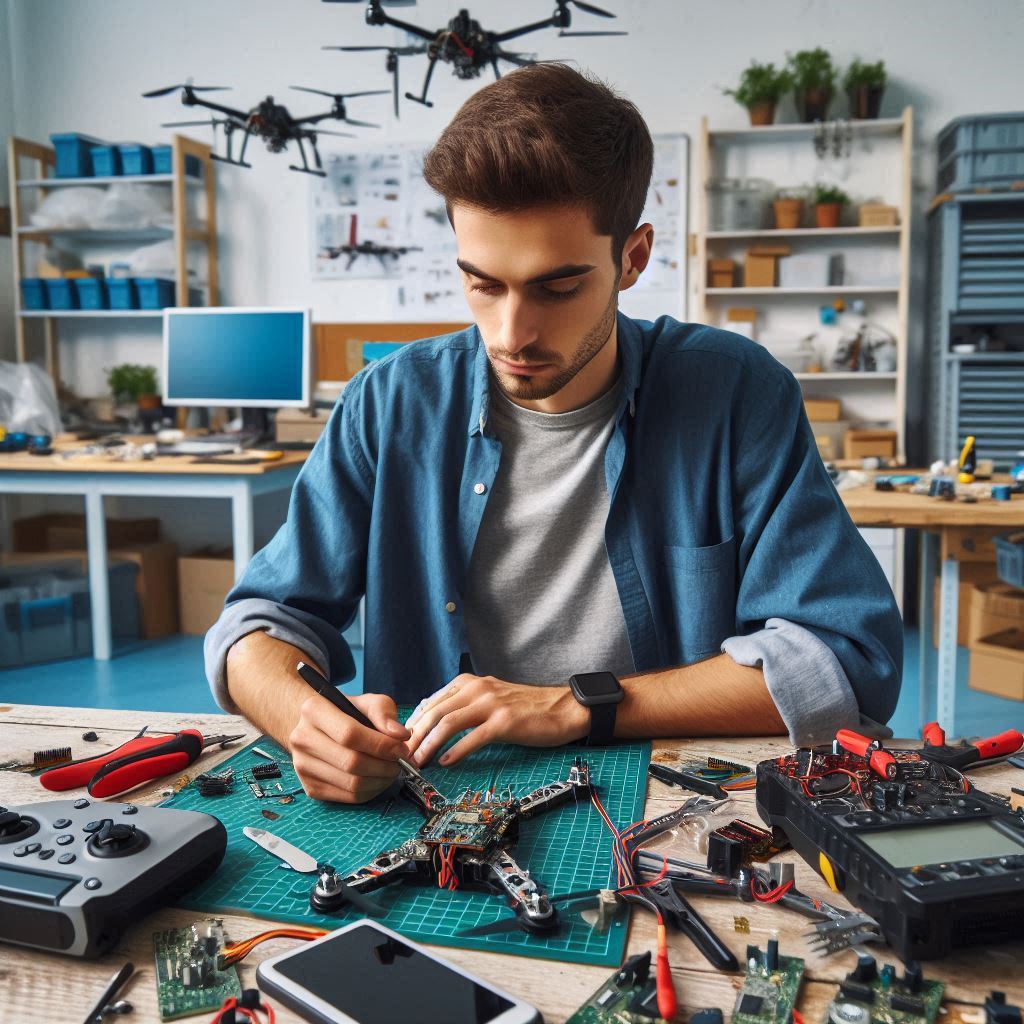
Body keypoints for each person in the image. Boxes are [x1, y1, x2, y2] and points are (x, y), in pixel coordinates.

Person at [206, 63, 902, 805]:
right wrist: (306, 719)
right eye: (483, 282)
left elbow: (842, 659)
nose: (512, 334)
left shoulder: (736, 393)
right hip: (434, 800)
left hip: (669, 801)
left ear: (632, 258)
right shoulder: (389, 402)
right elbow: (257, 625)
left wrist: (577, 704)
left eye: (557, 287)